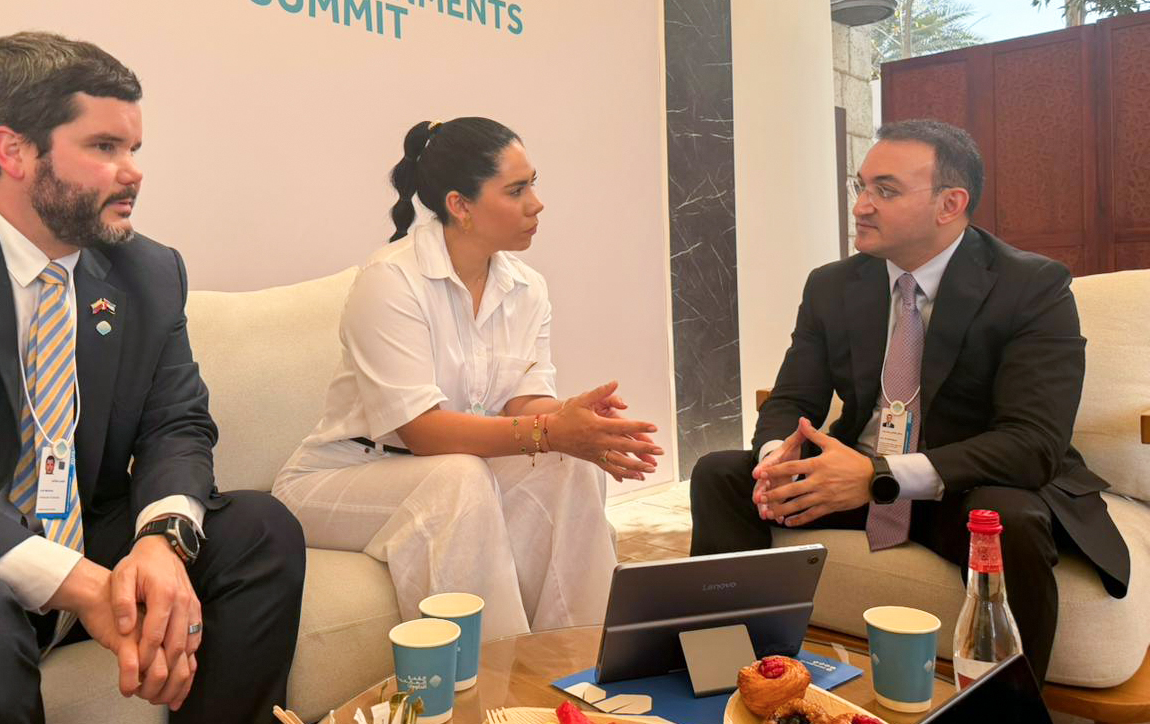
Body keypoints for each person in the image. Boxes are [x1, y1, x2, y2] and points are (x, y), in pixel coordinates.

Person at [0, 32, 306, 724]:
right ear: (13, 151)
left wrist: (161, 542)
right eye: (105, 147)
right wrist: (81, 584)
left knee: (260, 531)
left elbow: (177, 423)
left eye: (134, 148)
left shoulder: (147, 270)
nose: (133, 173)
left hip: (78, 531)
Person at [689, 119, 1129, 683]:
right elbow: (793, 397)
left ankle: (1008, 706)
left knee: (1008, 520)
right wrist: (778, 458)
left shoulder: (1032, 286)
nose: (861, 206)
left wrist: (880, 477)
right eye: (860, 186)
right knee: (720, 474)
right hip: (853, 476)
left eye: (886, 190)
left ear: (950, 204)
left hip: (960, 485)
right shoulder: (831, 285)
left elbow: (1032, 442)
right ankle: (739, 678)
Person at [273, 117, 661, 640]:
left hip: (448, 465)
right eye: (516, 190)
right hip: (342, 474)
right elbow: (422, 432)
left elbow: (523, 402)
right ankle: (497, 678)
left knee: (568, 464)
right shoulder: (391, 281)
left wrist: (575, 420)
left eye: (533, 184)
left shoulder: (527, 287)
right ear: (460, 205)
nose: (537, 204)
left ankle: (580, 658)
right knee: (460, 477)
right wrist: (551, 431)